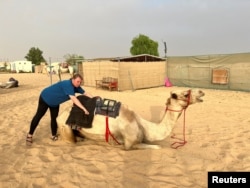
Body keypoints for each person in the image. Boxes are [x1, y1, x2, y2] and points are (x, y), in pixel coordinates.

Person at [26, 73, 93, 146]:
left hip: (55, 102)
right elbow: (74, 98)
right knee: (39, 116)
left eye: (80, 82)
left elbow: (85, 93)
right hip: (45, 98)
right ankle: (30, 135)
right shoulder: (68, 84)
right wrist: (84, 109)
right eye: (78, 81)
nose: (79, 83)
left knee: (54, 118)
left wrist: (95, 99)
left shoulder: (76, 86)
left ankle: (53, 135)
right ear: (73, 79)